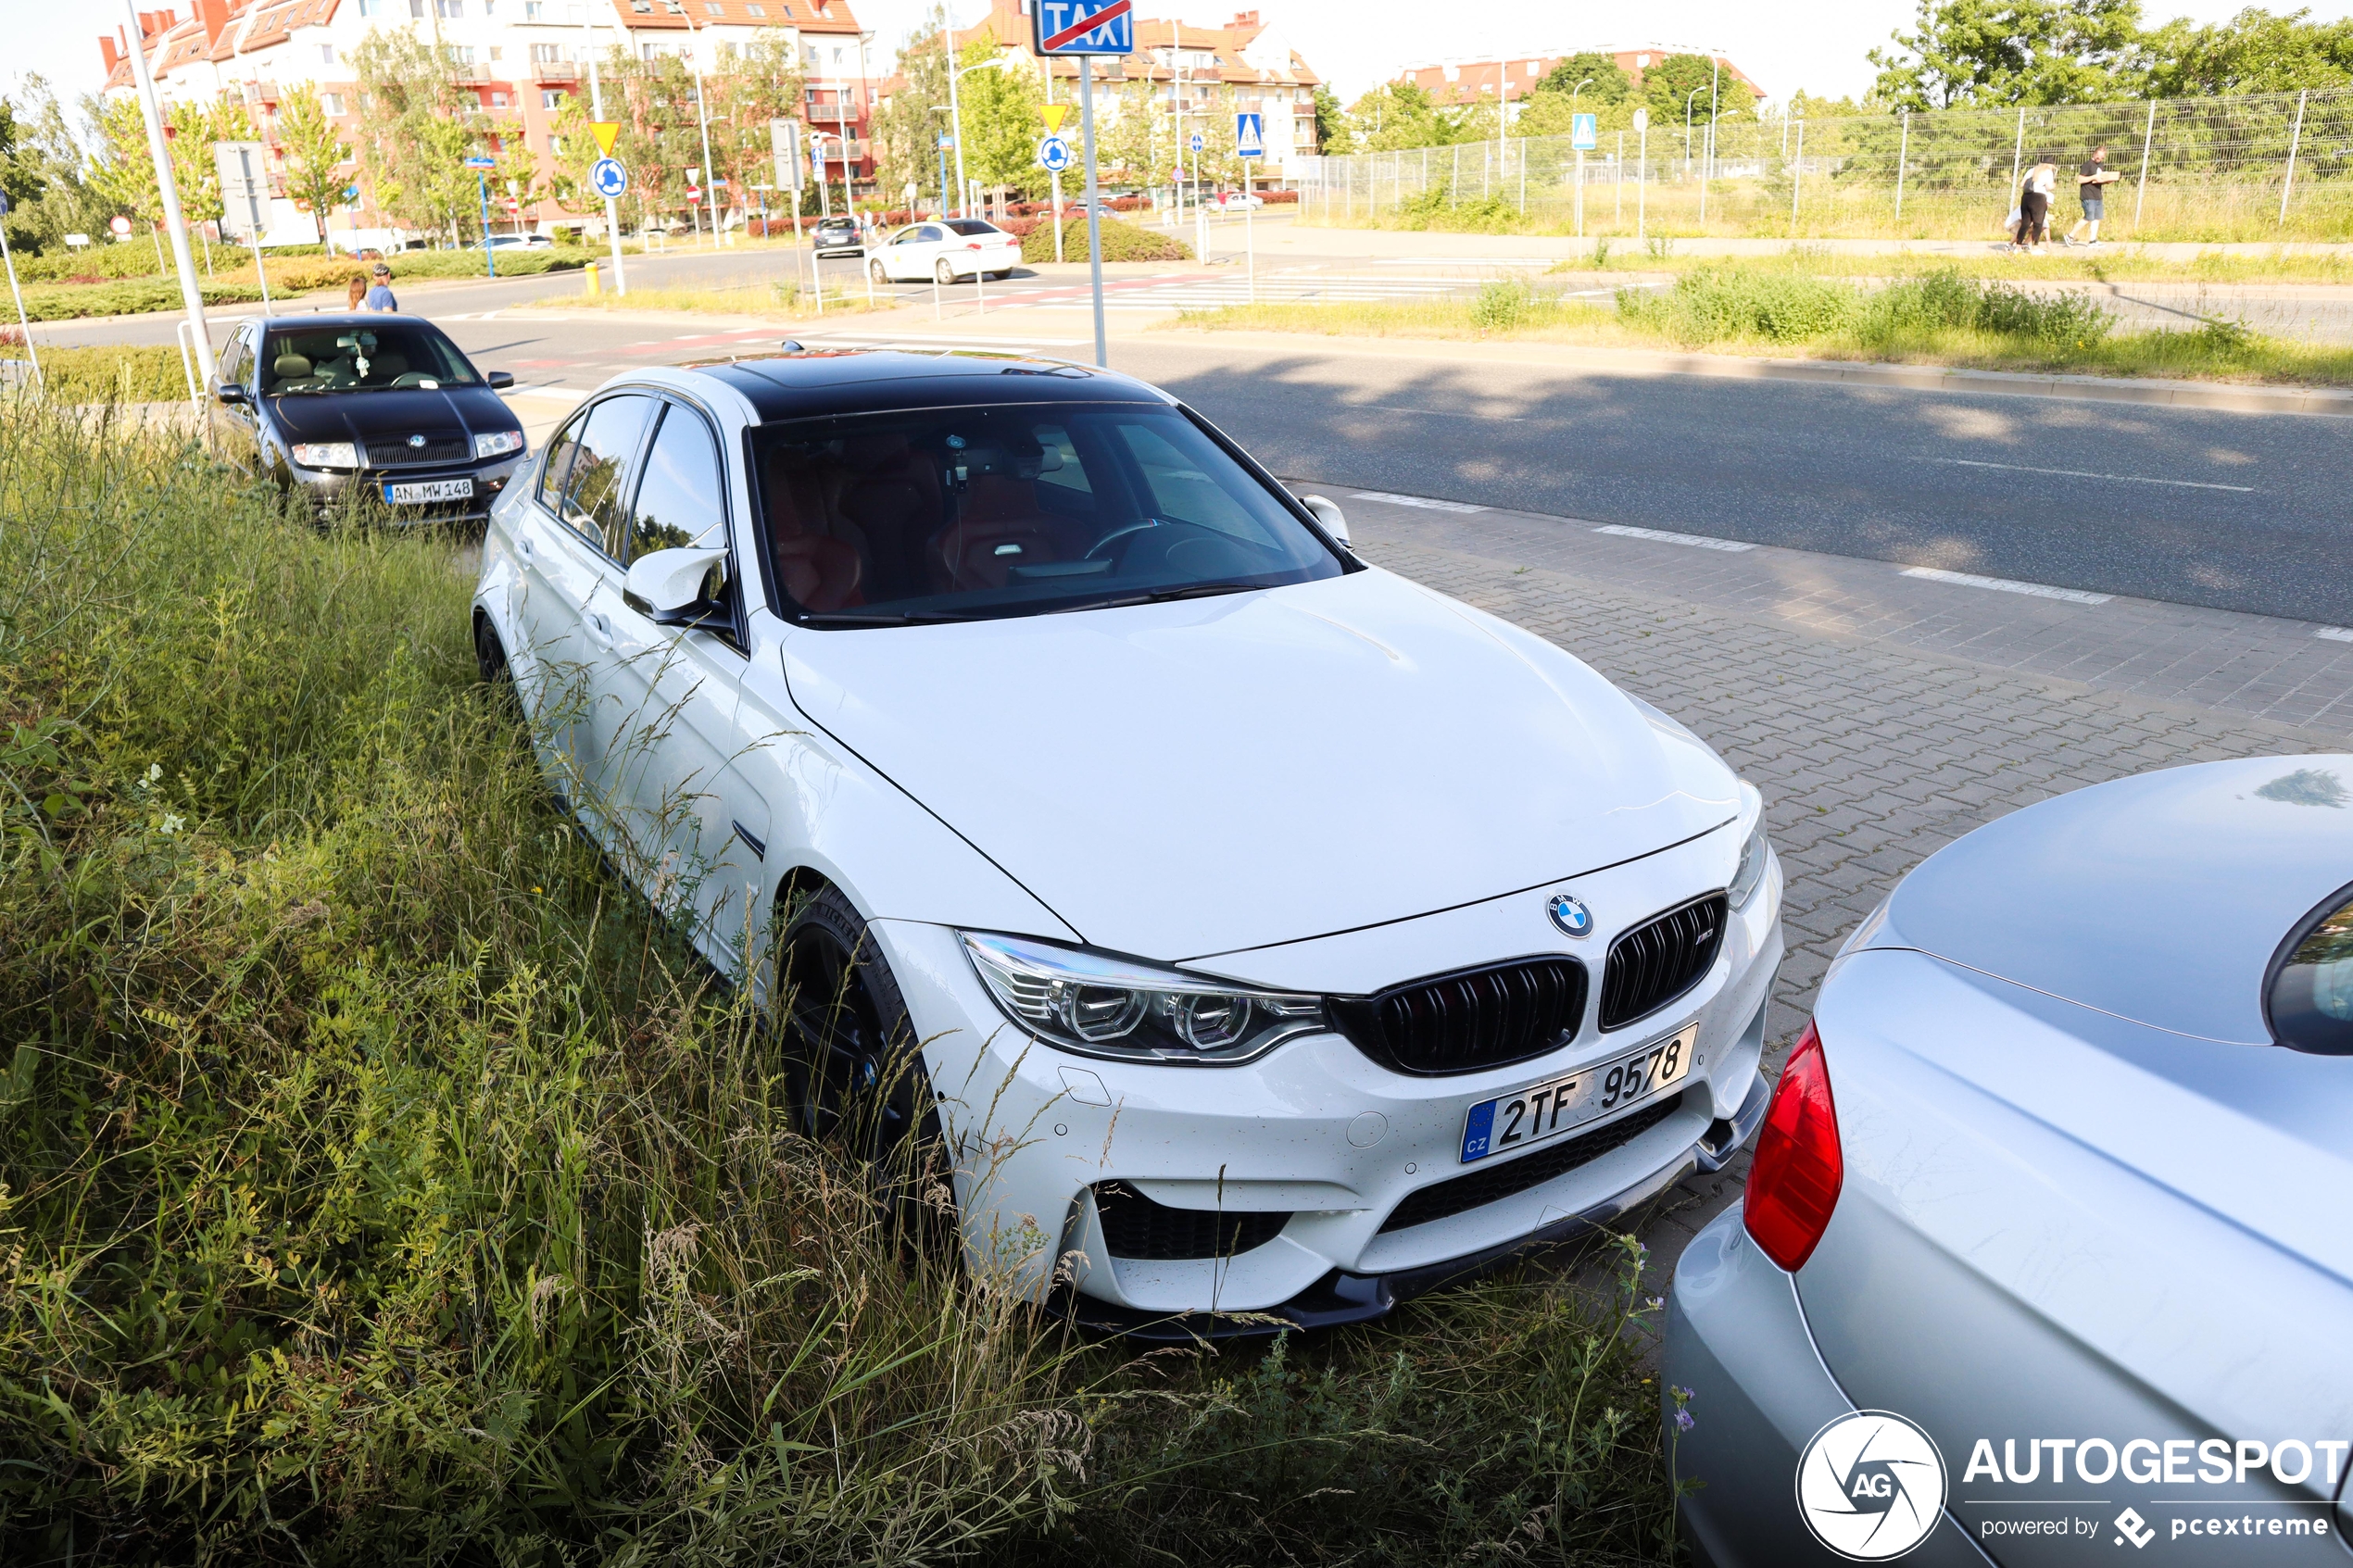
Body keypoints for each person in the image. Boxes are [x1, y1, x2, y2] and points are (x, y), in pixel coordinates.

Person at [2065, 146, 2120, 246]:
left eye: (2102, 158)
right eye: (2098, 157)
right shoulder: (2087, 165)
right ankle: (2070, 235)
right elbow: (2080, 179)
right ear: (2094, 154)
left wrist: (2108, 181)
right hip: (2088, 195)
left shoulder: (2101, 165)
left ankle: (2092, 240)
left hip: (2097, 195)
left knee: (2097, 218)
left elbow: (2099, 180)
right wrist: (2093, 177)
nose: (2100, 159)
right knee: (2088, 217)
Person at [2012, 158, 2057, 253]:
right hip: (2038, 198)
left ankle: (2017, 248)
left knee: (2025, 223)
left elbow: (2022, 184)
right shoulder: (2048, 172)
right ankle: (2035, 248)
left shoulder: (2032, 170)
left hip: (2026, 197)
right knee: (2038, 223)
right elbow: (2049, 187)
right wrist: (2054, 185)